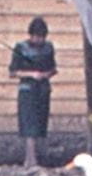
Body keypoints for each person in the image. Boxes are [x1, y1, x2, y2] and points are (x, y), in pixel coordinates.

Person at [8, 17, 57, 167]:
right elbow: (13, 72)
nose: (38, 40)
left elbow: (53, 68)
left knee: (41, 123)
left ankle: (39, 157)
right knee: (29, 124)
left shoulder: (48, 48)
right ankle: (30, 159)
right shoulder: (21, 48)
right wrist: (31, 75)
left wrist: (46, 75)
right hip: (27, 90)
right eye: (36, 36)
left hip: (43, 90)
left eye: (41, 37)